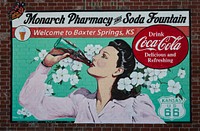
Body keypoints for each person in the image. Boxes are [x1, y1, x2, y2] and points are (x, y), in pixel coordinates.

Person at [19, 39, 165, 123]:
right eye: (98, 54)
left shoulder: (135, 104)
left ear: (118, 70)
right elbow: (33, 105)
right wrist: (45, 66)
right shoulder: (81, 100)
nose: (95, 58)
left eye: (104, 56)